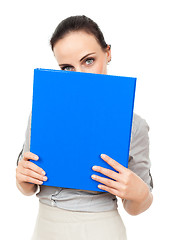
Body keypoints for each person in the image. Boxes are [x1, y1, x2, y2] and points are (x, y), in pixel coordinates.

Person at [16, 15, 153, 240]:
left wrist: (140, 194)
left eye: (88, 60)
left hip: (101, 230)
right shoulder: (43, 113)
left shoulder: (134, 125)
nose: (79, 75)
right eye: (67, 68)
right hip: (45, 228)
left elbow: (136, 206)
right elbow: (28, 188)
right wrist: (22, 178)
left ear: (107, 53)